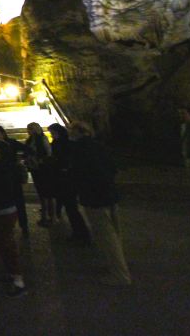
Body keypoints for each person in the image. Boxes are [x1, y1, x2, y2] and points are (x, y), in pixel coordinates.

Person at [70, 121, 132, 286]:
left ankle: (120, 274)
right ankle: (118, 266)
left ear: (77, 133)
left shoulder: (78, 150)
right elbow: (113, 168)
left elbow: (77, 174)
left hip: (94, 196)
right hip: (110, 193)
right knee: (114, 232)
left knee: (106, 235)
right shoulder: (100, 146)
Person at [0, 140, 26, 297]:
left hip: (4, 209)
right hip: (2, 208)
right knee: (3, 243)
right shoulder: (2, 167)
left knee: (8, 245)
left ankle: (18, 281)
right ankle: (11, 273)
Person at [49, 123, 91, 243]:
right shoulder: (62, 143)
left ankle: (81, 234)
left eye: (53, 133)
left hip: (67, 179)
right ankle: (79, 232)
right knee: (70, 208)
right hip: (63, 178)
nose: (53, 135)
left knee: (71, 208)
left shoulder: (66, 144)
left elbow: (67, 160)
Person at [0, 126, 29, 239]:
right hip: (2, 177)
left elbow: (27, 149)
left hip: (13, 176)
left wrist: (20, 159)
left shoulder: (11, 143)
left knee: (19, 202)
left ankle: (24, 226)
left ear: (3, 133)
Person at [25, 123, 55, 226]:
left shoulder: (41, 139)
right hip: (35, 168)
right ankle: (46, 214)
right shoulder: (30, 140)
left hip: (43, 169)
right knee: (42, 192)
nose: (28, 131)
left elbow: (48, 152)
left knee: (46, 192)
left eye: (30, 129)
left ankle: (50, 216)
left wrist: (40, 160)